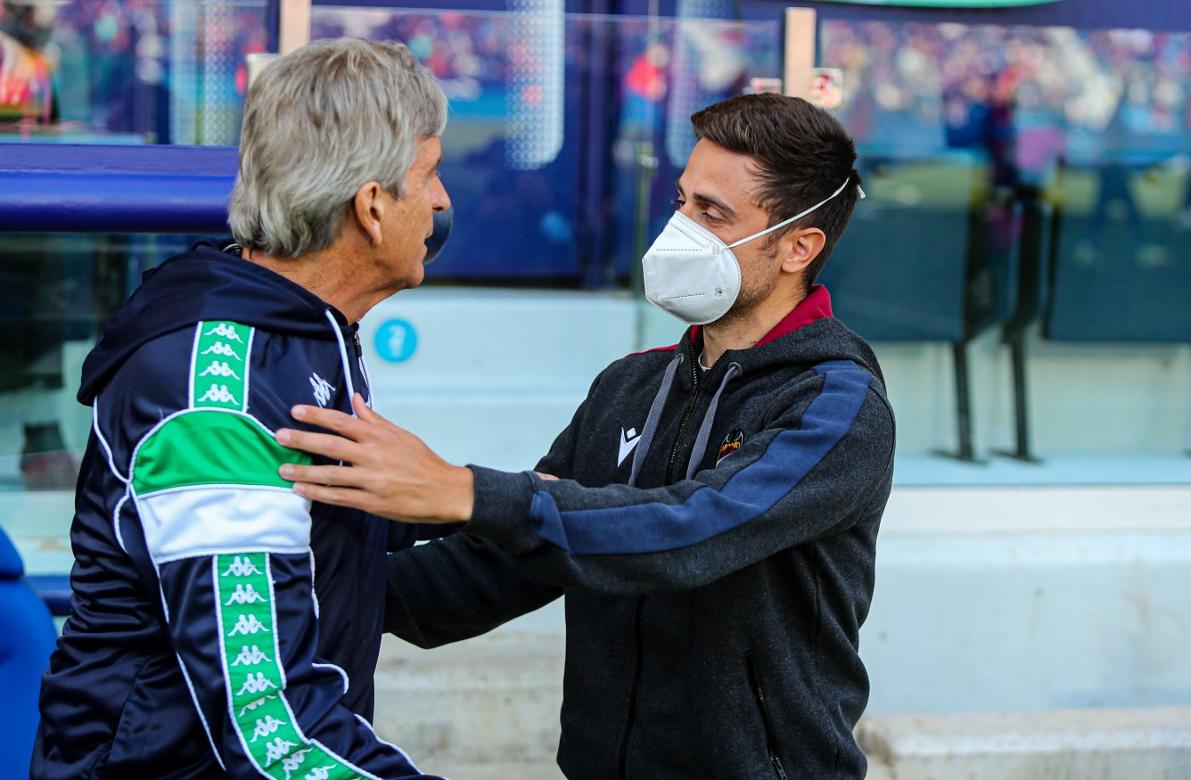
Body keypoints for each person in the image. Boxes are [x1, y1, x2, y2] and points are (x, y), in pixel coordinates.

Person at [279, 93, 896, 779]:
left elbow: (692, 532)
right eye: (682, 200)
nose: (680, 227)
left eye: (712, 213)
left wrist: (463, 491)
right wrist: (300, 584)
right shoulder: (630, 386)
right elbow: (514, 560)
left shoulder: (835, 404)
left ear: (799, 247)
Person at [32, 38, 450, 779]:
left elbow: (333, 561)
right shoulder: (213, 397)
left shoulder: (302, 332)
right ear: (373, 206)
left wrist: (518, 512)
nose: (443, 202)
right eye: (430, 174)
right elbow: (271, 728)